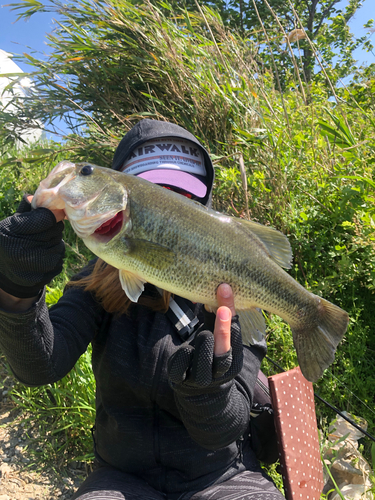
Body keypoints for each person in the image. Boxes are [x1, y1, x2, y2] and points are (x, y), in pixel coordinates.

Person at [0, 119, 285, 500]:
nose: (166, 207)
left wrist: (208, 391)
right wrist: (17, 288)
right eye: (152, 194)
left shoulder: (232, 301)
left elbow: (224, 429)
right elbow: (39, 365)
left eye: (180, 198)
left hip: (222, 475)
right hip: (121, 477)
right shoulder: (97, 280)